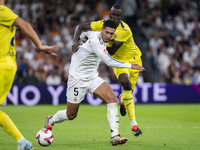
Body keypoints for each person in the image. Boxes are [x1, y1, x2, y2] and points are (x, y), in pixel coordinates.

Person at [44, 20, 144, 146]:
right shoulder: (96, 41)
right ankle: (51, 120)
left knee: (112, 99)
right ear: (101, 29)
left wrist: (79, 39)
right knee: (71, 114)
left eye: (111, 34)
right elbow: (108, 61)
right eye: (106, 32)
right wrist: (130, 65)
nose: (108, 36)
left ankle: (115, 135)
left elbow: (83, 34)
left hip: (92, 77)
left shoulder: (92, 35)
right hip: (77, 79)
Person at [72, 4, 143, 137]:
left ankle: (123, 99)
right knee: (126, 84)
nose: (115, 17)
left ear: (121, 17)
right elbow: (80, 27)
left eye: (118, 15)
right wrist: (75, 41)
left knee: (128, 93)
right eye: (113, 14)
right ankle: (134, 124)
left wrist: (94, 39)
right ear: (109, 14)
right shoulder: (103, 24)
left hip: (133, 59)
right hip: (118, 61)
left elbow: (110, 50)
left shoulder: (124, 30)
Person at [0, 1, 59, 150]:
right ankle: (22, 142)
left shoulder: (2, 11)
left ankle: (22, 142)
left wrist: (40, 46)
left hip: (3, 65)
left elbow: (25, 25)